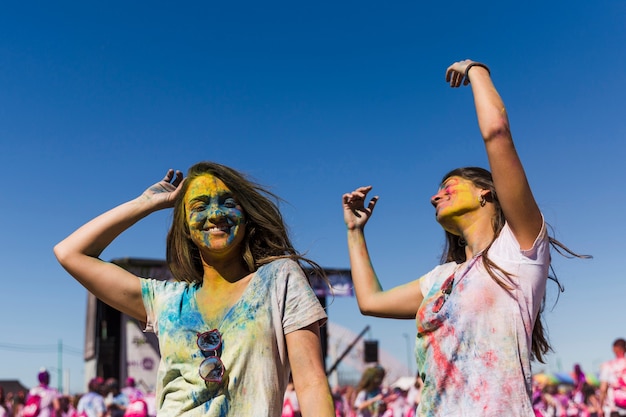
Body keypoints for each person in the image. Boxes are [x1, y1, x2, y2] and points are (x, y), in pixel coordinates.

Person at [342, 59, 590, 417]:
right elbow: (370, 301)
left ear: (486, 193)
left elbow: (497, 133)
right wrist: (355, 232)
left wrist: (476, 69)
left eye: (447, 187)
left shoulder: (518, 251)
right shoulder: (440, 279)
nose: (434, 196)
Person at [54, 161, 334, 417]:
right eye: (199, 206)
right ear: (186, 227)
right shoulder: (167, 301)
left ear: (246, 215)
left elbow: (311, 383)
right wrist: (146, 203)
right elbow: (70, 253)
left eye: (228, 202)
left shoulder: (280, 279)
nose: (215, 214)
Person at [599, 338, 626, 417]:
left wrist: (600, 407)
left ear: (614, 349)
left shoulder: (608, 365)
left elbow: (603, 388)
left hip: (615, 409)